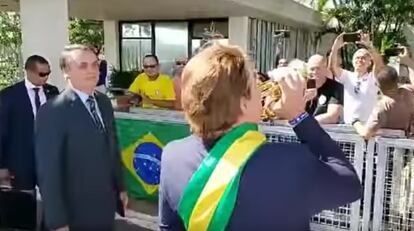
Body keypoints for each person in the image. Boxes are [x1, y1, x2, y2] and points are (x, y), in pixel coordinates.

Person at [159, 44, 362, 230]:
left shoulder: (172, 155)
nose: (263, 90)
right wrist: (298, 116)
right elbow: (350, 184)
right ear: (244, 103)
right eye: (255, 84)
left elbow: (169, 228)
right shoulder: (290, 162)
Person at [35, 45, 127, 231]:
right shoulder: (53, 111)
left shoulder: (103, 102)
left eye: (95, 64)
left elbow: (112, 147)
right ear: (66, 72)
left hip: (105, 209)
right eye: (83, 66)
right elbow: (49, 172)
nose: (92, 70)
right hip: (75, 215)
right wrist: (58, 222)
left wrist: (121, 187)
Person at [0, 55, 59, 229]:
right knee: (22, 206)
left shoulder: (52, 92)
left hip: (48, 160)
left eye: (48, 73)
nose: (46, 77)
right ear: (29, 71)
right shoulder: (9, 96)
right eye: (42, 74)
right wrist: (2, 165)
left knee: (54, 203)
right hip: (20, 161)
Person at [329, 32, 385, 124]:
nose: (359, 60)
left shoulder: (372, 77)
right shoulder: (347, 76)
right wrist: (336, 46)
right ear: (353, 61)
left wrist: (369, 46)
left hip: (367, 126)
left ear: (369, 62)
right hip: (348, 126)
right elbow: (332, 66)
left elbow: (379, 64)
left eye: (363, 58)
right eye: (357, 58)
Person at [353, 66, 414, 139]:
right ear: (397, 80)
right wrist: (409, 64)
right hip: (409, 142)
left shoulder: (382, 107)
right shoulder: (408, 91)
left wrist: (356, 123)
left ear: (378, 85)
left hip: (389, 147)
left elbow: (366, 134)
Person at [305, 54, 344, 124]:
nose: (315, 72)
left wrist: (308, 123)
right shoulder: (301, 86)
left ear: (326, 69)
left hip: (325, 130)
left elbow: (333, 117)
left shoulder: (336, 88)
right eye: (312, 69)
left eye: (318, 68)